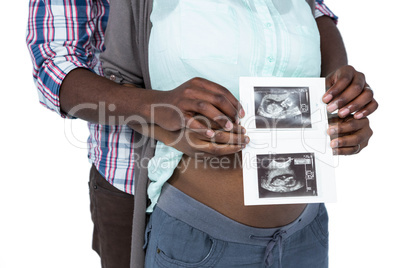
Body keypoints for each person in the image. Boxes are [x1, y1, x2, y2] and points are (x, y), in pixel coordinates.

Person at [26, 0, 377, 267]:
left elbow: (315, 10)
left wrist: (337, 94)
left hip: (307, 228)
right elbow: (54, 63)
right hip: (177, 221)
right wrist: (154, 106)